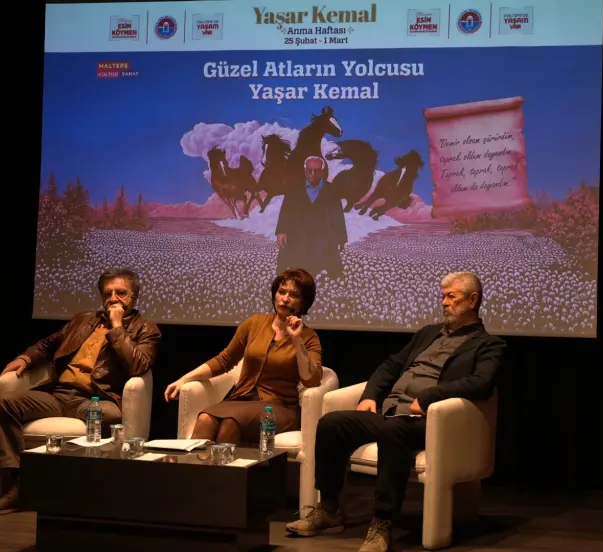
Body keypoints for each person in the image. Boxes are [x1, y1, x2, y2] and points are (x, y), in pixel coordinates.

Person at [285, 271, 506, 552]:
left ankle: (382, 523)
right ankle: (329, 510)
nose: (444, 302)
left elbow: (481, 383)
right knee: (331, 423)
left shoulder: (489, 344)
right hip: (390, 412)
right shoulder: (429, 333)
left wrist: (430, 397)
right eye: (443, 297)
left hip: (430, 421)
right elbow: (391, 365)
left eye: (452, 297)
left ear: (472, 300)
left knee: (393, 430)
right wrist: (370, 396)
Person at [0, 268, 161, 514]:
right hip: (58, 395)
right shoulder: (83, 320)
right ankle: (15, 484)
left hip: (94, 399)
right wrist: (26, 357)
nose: (113, 299)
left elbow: (137, 365)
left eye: (121, 293)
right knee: (4, 403)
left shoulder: (146, 329)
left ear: (134, 297)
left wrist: (117, 327)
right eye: (107, 294)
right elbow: (48, 343)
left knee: (112, 416)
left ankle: (90, 492)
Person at [165, 268, 323, 445]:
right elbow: (224, 360)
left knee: (230, 424)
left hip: (279, 406)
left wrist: (296, 339)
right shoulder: (254, 323)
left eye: (293, 295)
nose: (285, 298)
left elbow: (312, 380)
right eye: (281, 292)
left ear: (303, 303)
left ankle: (226, 465)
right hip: (241, 398)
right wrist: (184, 379)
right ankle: (191, 464)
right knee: (205, 419)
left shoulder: (308, 337)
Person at [275, 155, 348, 279]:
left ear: (322, 171)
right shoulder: (294, 189)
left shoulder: (331, 190)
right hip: (297, 236)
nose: (312, 174)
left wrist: (341, 238)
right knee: (294, 270)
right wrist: (281, 231)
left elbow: (337, 215)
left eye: (316, 171)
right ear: (305, 171)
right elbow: (285, 211)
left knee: (328, 270)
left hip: (323, 237)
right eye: (309, 170)